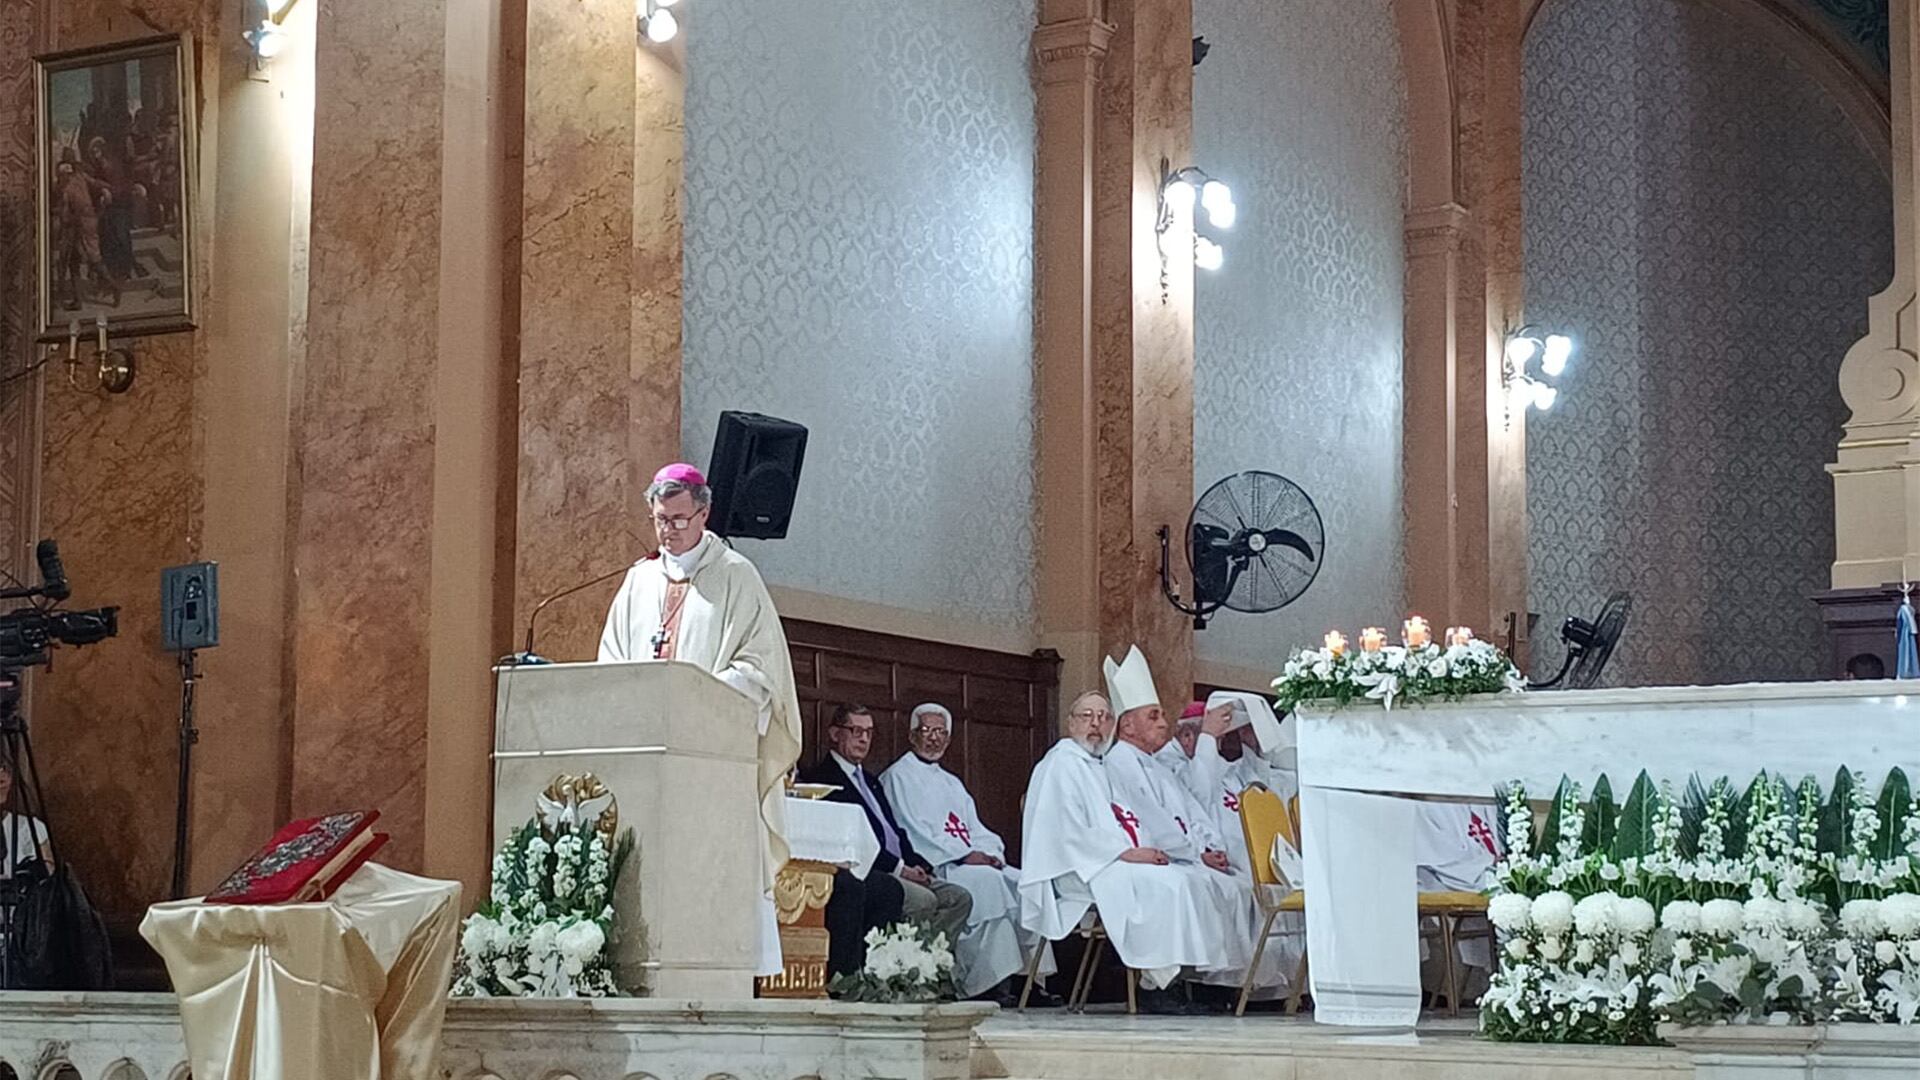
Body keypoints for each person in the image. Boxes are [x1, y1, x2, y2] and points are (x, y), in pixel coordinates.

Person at [597, 462, 805, 977]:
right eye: (659, 519)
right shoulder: (638, 581)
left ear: (704, 514)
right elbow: (611, 664)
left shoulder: (736, 575)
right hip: (646, 762)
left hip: (710, 761)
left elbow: (761, 672)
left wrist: (695, 695)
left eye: (678, 519)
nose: (667, 530)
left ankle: (716, 967)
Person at [1018, 651, 1250, 1015]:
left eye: (1103, 716)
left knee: (1175, 878)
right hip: (1079, 869)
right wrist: (1128, 853)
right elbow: (1066, 833)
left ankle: (1175, 983)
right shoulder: (1061, 763)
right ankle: (1155, 987)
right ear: (1070, 722)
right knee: (1168, 884)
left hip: (1109, 860)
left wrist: (1147, 849)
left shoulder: (1096, 764)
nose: (1096, 724)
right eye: (1087, 716)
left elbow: (1127, 819)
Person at [879, 702, 1057, 1005]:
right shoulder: (898, 776)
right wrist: (964, 856)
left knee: (1026, 882)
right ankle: (989, 983)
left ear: (949, 739)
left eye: (941, 732)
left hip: (967, 860)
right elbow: (913, 831)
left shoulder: (952, 782)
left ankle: (1029, 981)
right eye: (927, 731)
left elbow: (975, 828)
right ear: (912, 735)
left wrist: (989, 851)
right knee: (990, 883)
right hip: (940, 866)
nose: (934, 738)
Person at [796, 706, 973, 949]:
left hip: (900, 867)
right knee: (923, 901)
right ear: (835, 734)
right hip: (871, 869)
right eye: (856, 731)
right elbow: (851, 840)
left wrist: (917, 864)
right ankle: (898, 973)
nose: (864, 739)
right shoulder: (823, 779)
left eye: (869, 732)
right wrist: (901, 869)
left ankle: (929, 969)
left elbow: (894, 832)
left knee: (958, 898)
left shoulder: (870, 780)